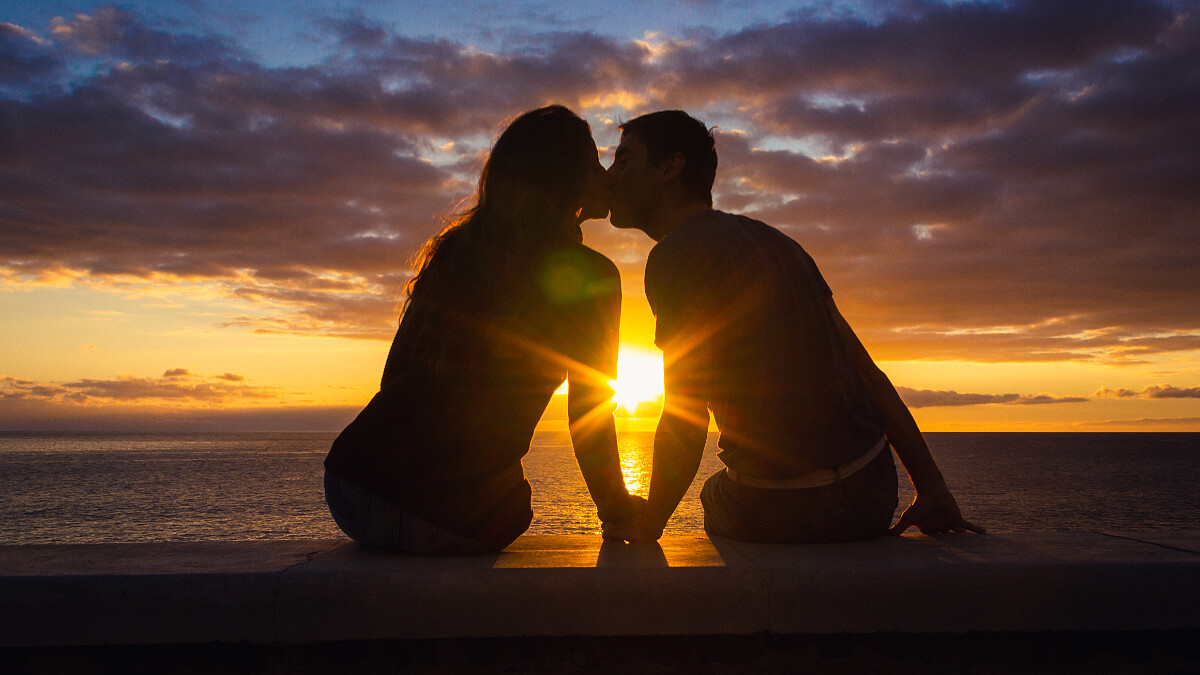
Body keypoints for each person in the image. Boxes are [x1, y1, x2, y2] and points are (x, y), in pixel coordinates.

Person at [602, 110, 982, 544]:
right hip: (870, 496)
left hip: (783, 508)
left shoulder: (674, 257)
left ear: (670, 167)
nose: (610, 177)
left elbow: (685, 418)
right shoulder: (777, 241)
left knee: (713, 494)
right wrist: (932, 487)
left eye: (624, 160)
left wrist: (648, 526)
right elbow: (867, 374)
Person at [324, 105, 637, 555]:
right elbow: (588, 416)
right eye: (593, 164)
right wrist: (619, 512)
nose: (606, 175)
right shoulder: (594, 276)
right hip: (445, 517)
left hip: (350, 486)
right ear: (561, 179)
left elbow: (393, 374)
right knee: (514, 507)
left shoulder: (456, 250)